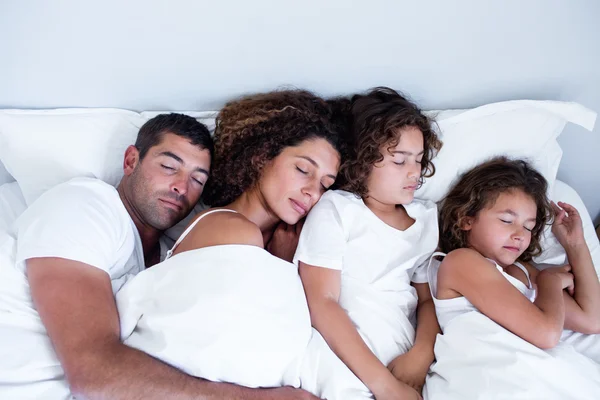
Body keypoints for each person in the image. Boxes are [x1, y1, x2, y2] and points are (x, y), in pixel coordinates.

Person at [0, 113, 315, 399]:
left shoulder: (169, 255)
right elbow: (94, 372)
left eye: (197, 179)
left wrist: (280, 268)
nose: (181, 186)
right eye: (169, 167)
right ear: (130, 161)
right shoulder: (86, 206)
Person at [114, 90, 346, 398]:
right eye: (303, 170)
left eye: (324, 185)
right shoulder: (232, 230)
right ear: (261, 156)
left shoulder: (270, 245)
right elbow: (215, 350)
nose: (312, 192)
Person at [293, 87, 443, 400]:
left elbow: (428, 301)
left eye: (418, 159)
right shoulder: (338, 209)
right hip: (345, 358)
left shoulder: (426, 218)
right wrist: (385, 387)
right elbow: (322, 302)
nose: (414, 172)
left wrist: (421, 354)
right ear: (361, 163)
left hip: (405, 361)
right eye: (399, 161)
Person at [424, 157, 600, 400]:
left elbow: (592, 320)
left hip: (552, 378)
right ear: (467, 219)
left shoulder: (524, 272)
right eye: (507, 221)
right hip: (500, 381)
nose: (520, 235)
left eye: (529, 227)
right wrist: (550, 281)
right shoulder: (461, 262)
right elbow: (546, 335)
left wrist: (576, 245)